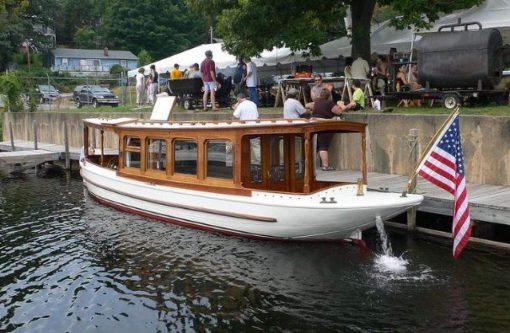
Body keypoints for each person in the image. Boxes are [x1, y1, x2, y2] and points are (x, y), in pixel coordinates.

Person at [311, 88, 344, 171]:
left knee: (315, 146)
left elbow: (308, 105)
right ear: (329, 96)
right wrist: (340, 104)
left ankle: (308, 164)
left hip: (314, 125)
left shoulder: (317, 102)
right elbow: (338, 112)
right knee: (323, 146)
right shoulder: (329, 103)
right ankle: (325, 166)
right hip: (325, 126)